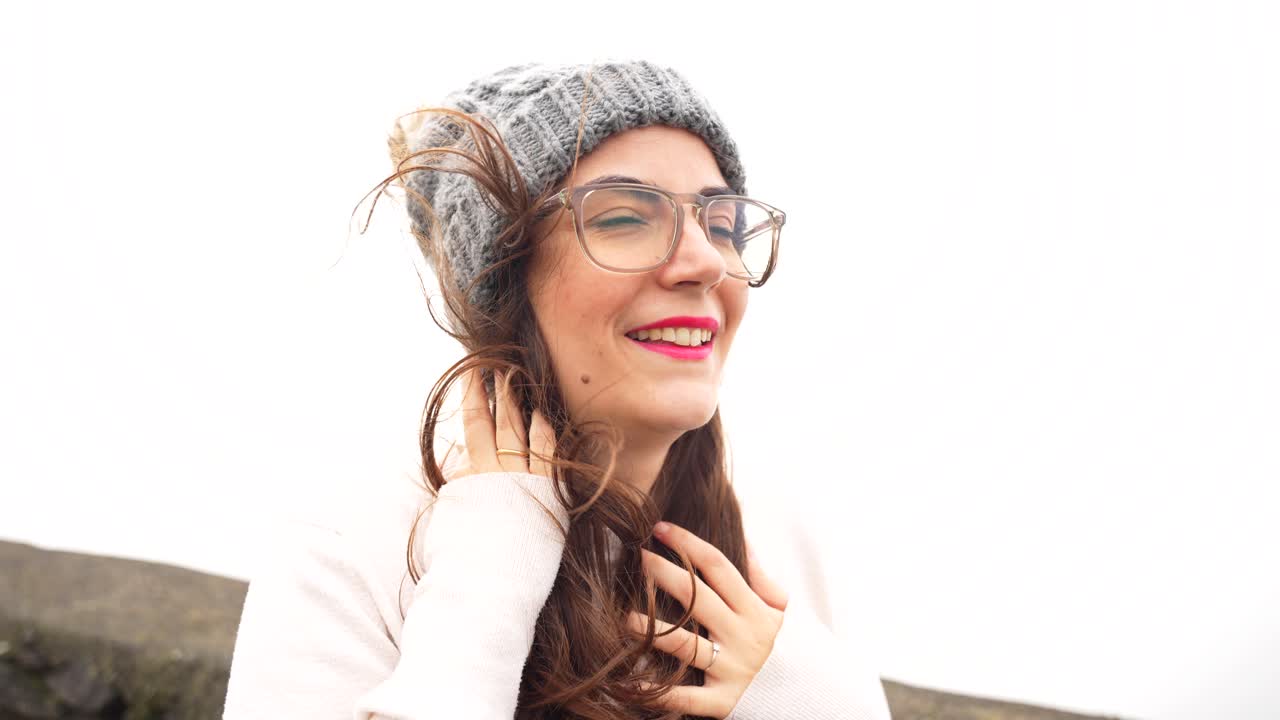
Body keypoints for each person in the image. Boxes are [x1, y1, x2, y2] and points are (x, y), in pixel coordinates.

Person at [222, 59, 893, 720]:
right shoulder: (353, 546)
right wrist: (489, 582)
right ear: (505, 283)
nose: (704, 262)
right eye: (625, 219)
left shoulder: (782, 543)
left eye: (720, 225)